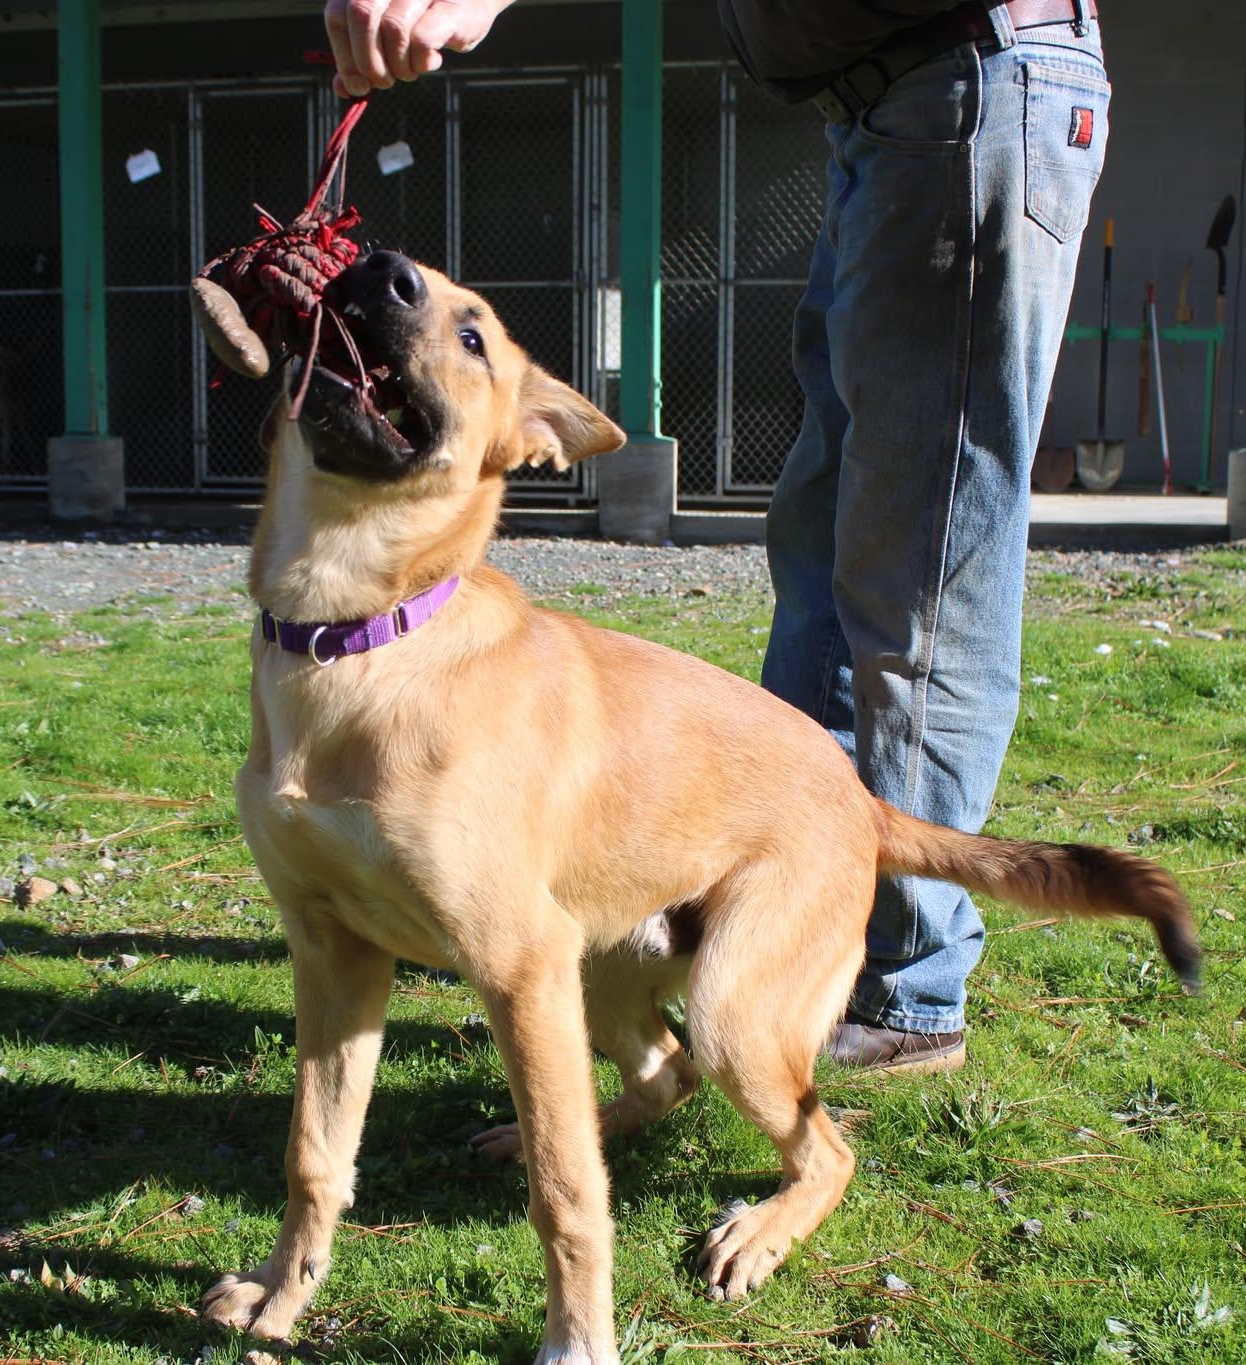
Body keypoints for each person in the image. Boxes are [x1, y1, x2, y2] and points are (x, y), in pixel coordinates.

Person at [324, 0, 1108, 1072]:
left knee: (921, 572)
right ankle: (773, 913)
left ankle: (906, 987)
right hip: (893, 108)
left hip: (965, 82)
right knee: (825, 545)